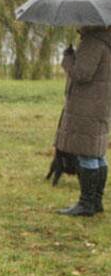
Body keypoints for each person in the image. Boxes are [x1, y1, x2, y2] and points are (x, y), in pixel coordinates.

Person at [55, 25, 110, 216]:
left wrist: (68, 58)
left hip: (86, 106)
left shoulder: (93, 42)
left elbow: (82, 74)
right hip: (100, 104)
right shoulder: (106, 40)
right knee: (97, 153)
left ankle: (86, 203)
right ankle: (96, 201)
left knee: (87, 153)